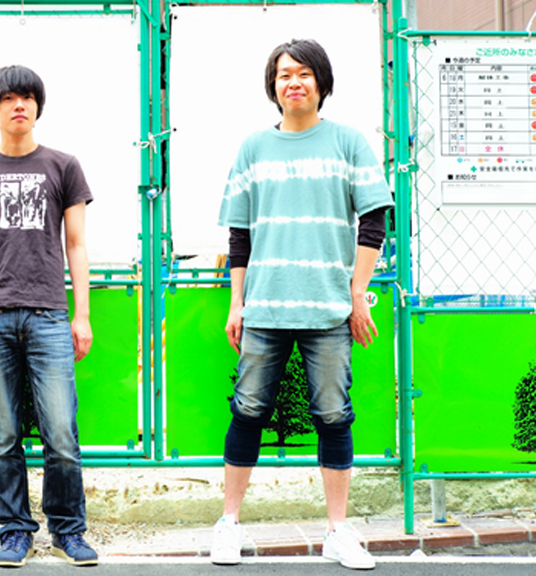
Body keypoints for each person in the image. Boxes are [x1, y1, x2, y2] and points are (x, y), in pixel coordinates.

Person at [212, 39, 393, 570]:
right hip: (265, 308)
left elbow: (374, 222)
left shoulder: (348, 142)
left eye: (304, 73)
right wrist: (237, 303)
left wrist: (356, 294)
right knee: (247, 411)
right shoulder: (253, 148)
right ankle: (229, 524)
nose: (294, 82)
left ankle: (338, 531)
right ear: (273, 86)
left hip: (329, 310)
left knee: (334, 415)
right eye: (284, 74)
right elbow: (239, 234)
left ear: (322, 82)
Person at [0, 65, 99, 568]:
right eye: (9, 98)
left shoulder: (63, 166)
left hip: (49, 316)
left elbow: (76, 244)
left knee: (62, 434)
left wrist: (82, 314)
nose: (19, 105)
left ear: (38, 106)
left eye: (28, 97)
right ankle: (15, 531)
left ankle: (68, 531)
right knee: (5, 436)